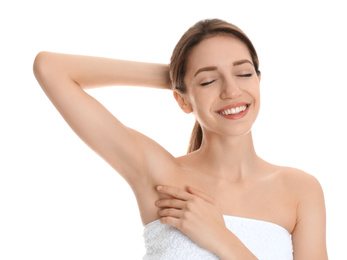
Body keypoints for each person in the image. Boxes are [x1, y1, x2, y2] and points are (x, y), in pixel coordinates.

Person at [33, 19, 328, 259]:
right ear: (182, 101)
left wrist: (223, 240)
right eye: (209, 80)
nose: (231, 91)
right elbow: (50, 68)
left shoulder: (300, 190)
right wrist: (175, 76)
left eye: (243, 73)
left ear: (259, 80)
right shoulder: (160, 174)